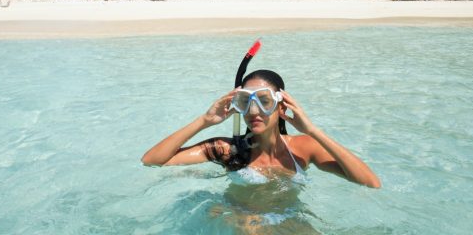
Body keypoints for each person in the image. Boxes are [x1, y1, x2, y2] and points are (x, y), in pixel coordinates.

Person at [141, 69, 381, 189]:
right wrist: (205, 120)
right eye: (246, 102)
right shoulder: (229, 150)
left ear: (281, 105)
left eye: (264, 102)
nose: (254, 112)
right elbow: (152, 160)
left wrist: (312, 130)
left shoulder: (302, 149)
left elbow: (370, 182)